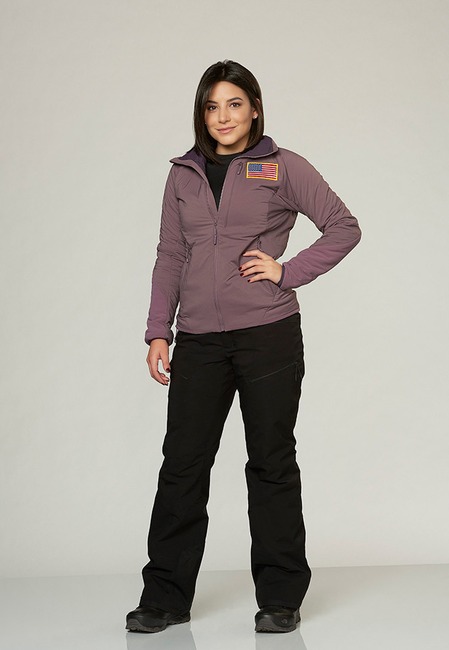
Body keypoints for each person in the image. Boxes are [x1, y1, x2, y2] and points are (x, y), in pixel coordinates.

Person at [126, 59, 361, 635]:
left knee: (270, 463)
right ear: (201, 114)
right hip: (200, 340)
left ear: (255, 109)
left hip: (267, 335)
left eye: (234, 104)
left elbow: (343, 226)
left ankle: (280, 597)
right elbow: (170, 255)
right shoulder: (183, 174)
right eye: (212, 106)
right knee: (183, 465)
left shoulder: (282, 166)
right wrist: (159, 330)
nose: (223, 116)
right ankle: (165, 598)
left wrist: (287, 272)